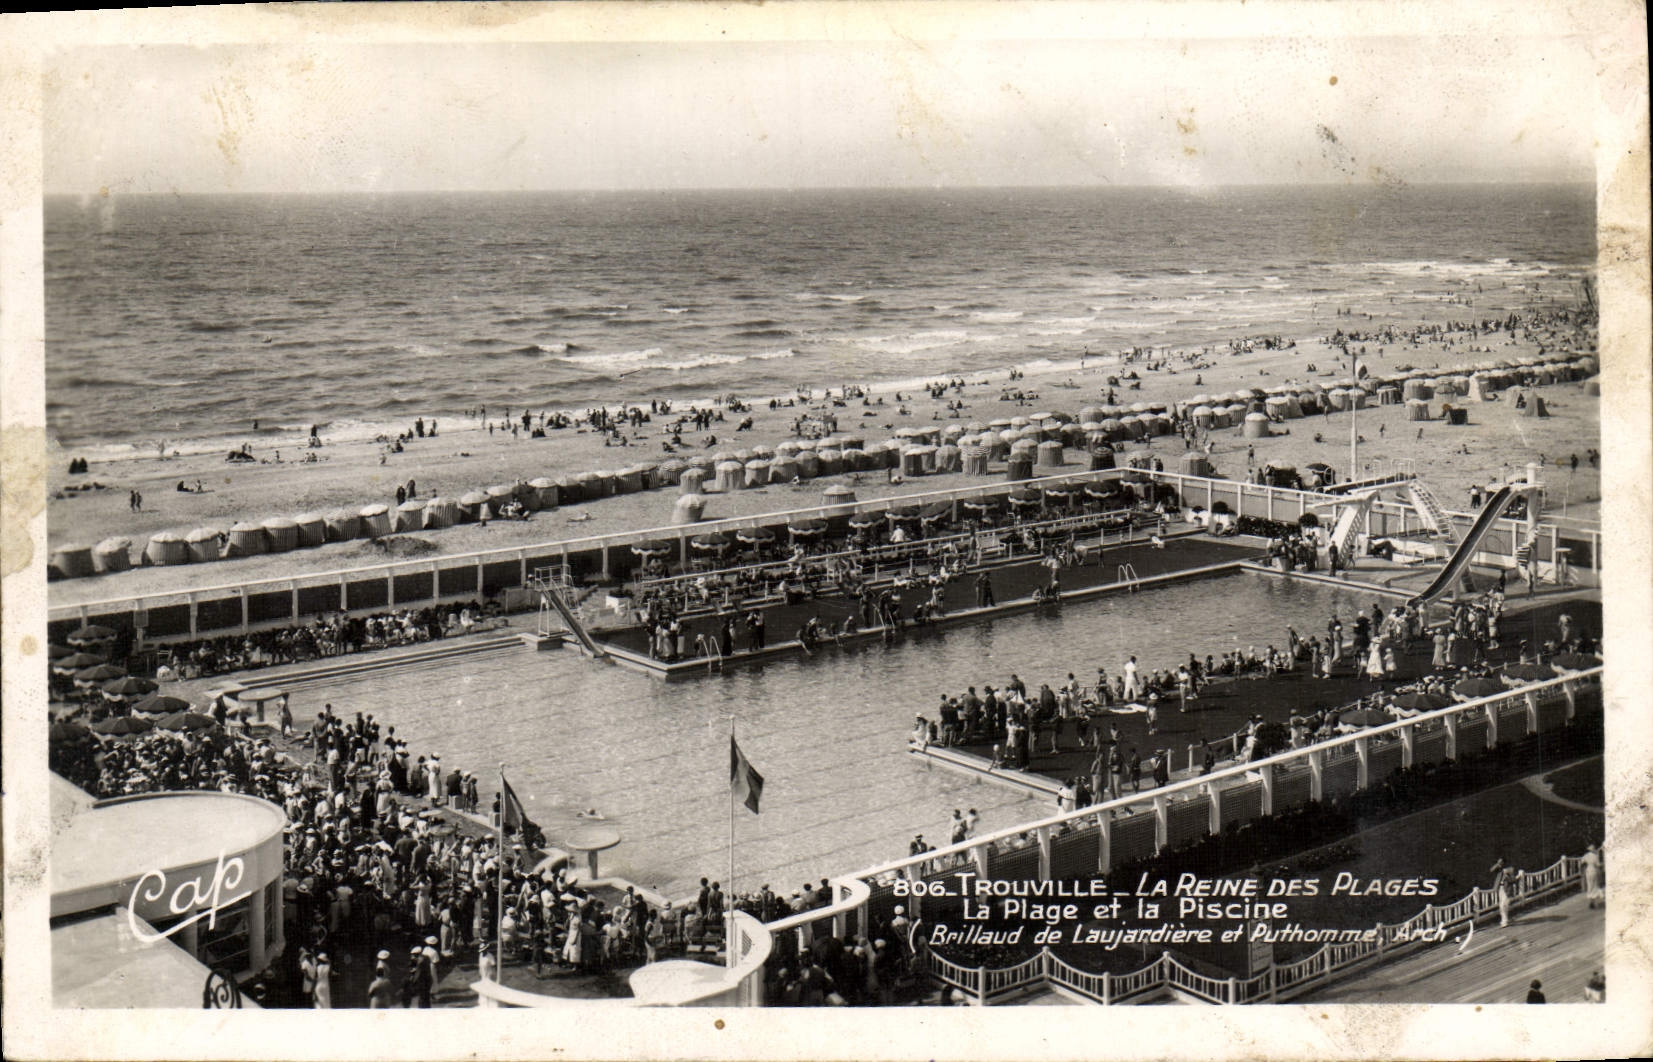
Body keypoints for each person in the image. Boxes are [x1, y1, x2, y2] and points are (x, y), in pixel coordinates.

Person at [1581, 843, 1604, 908]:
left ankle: (1591, 901)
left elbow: (1582, 862)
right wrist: (1602, 865)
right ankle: (1593, 902)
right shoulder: (1595, 856)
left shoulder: (1586, 856)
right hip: (1594, 871)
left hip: (1588, 871)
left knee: (1589, 886)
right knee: (1594, 885)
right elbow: (1598, 864)